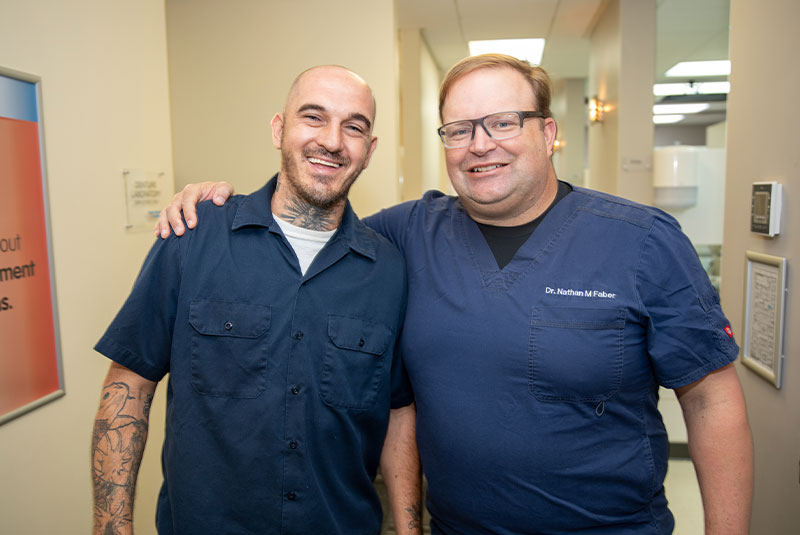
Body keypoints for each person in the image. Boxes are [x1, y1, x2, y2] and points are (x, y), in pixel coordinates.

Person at [158, 54, 753, 534]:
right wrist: (216, 203)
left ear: (547, 132)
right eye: (459, 129)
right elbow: (312, 219)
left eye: (503, 122)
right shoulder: (406, 234)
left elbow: (712, 401)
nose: (480, 144)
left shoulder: (641, 241)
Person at [91, 65, 422, 535]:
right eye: (313, 117)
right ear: (279, 129)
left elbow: (397, 410)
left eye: (354, 127)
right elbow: (130, 382)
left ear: (369, 151)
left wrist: (410, 529)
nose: (332, 140)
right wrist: (110, 527)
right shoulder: (194, 237)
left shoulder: (389, 269)